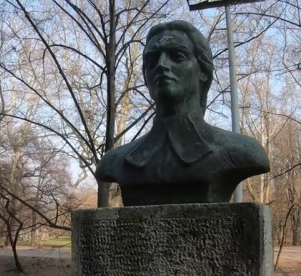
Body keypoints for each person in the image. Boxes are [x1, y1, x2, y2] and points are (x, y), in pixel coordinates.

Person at [95, 20, 269, 206]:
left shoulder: (241, 151)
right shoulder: (114, 161)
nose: (161, 65)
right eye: (152, 60)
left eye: (177, 56)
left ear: (203, 72)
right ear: (145, 75)